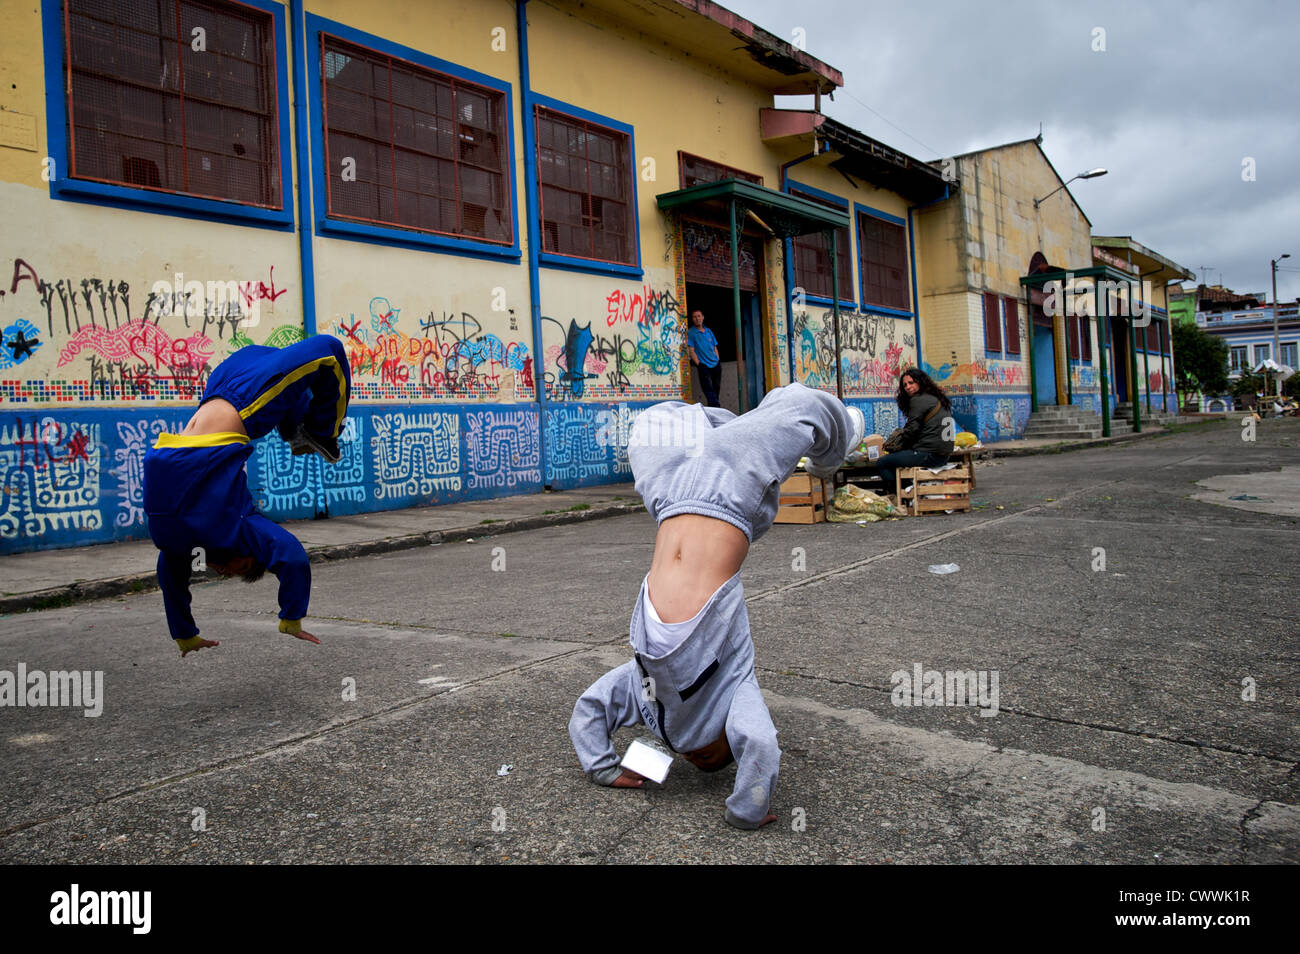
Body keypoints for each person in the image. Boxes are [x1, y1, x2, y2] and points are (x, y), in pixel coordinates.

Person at [568, 383, 865, 828]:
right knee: (800, 407)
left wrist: (604, 767)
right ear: (729, 738)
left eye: (695, 758)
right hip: (732, 495)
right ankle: (841, 439)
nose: (694, 749)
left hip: (670, 494)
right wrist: (747, 810)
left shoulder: (644, 690)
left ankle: (724, 429)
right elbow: (760, 745)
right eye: (711, 753)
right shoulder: (734, 692)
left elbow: (590, 709)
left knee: (652, 424)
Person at [143, 335, 351, 657]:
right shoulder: (238, 527)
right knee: (331, 352)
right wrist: (291, 618)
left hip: (221, 387)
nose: (224, 571)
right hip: (232, 403)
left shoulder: (190, 544)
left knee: (305, 369)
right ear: (250, 552)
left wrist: (185, 635)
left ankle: (298, 428)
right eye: (240, 569)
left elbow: (171, 581)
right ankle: (322, 430)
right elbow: (291, 557)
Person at [872, 367, 955, 497]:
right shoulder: (935, 398)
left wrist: (897, 447)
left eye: (911, 383)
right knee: (898, 458)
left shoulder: (918, 400)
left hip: (930, 454)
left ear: (920, 382)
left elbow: (911, 430)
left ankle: (903, 494)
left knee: (882, 463)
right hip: (944, 454)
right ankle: (909, 489)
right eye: (905, 385)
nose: (908, 387)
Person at [687, 309, 722, 407]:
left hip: (716, 365)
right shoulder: (691, 332)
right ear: (692, 319)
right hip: (704, 366)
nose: (697, 318)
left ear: (703, 317)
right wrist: (699, 364)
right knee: (708, 391)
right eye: (694, 317)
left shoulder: (709, 331)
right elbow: (691, 350)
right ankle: (716, 409)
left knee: (716, 390)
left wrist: (717, 360)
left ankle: (714, 410)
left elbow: (715, 347)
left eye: (699, 316)